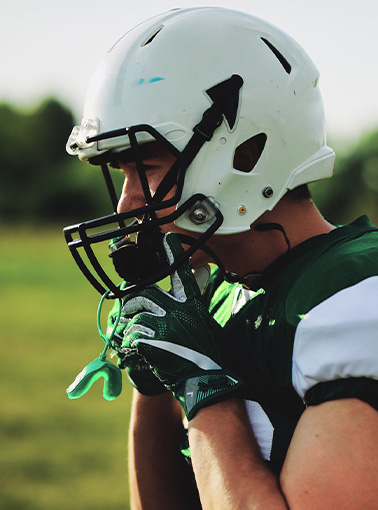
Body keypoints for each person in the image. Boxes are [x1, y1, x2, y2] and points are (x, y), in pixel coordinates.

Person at [65, 7, 378, 509]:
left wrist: (203, 387)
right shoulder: (221, 298)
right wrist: (155, 388)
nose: (125, 204)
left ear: (248, 154)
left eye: (144, 169)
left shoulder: (354, 298)